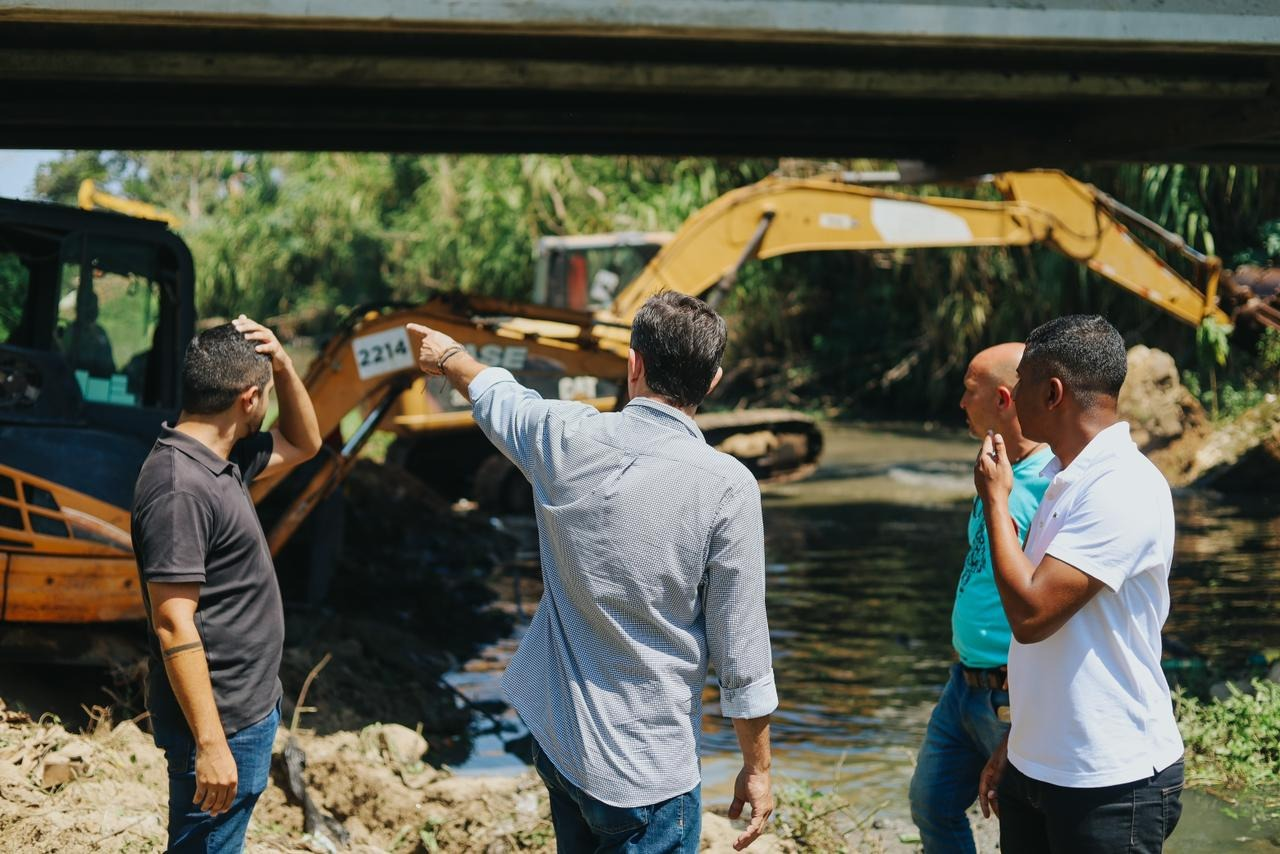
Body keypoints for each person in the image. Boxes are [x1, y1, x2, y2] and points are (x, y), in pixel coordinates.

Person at [406, 291, 778, 853]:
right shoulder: (727, 485)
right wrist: (757, 767)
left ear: (634, 364)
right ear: (714, 380)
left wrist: (448, 354)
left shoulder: (565, 436)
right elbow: (741, 649)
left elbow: (498, 395)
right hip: (647, 772)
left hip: (562, 743)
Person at [973, 315, 1184, 853]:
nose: (1012, 395)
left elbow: (1032, 617)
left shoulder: (1122, 488)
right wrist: (1017, 744)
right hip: (1038, 766)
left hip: (1109, 781)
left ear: (1052, 392)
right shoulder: (1065, 480)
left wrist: (995, 500)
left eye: (1021, 382)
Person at [131, 317, 321, 853]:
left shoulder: (223, 460)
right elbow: (173, 623)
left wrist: (282, 362)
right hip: (219, 726)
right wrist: (211, 745)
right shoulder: (180, 487)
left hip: (244, 710)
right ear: (249, 397)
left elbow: (304, 442)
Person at [908, 343, 1053, 853]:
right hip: (963, 684)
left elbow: (1053, 603)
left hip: (1010, 694)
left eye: (970, 393)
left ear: (1004, 399)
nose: (961, 404)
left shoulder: (1051, 487)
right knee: (931, 805)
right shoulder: (996, 470)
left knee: (1028, 826)